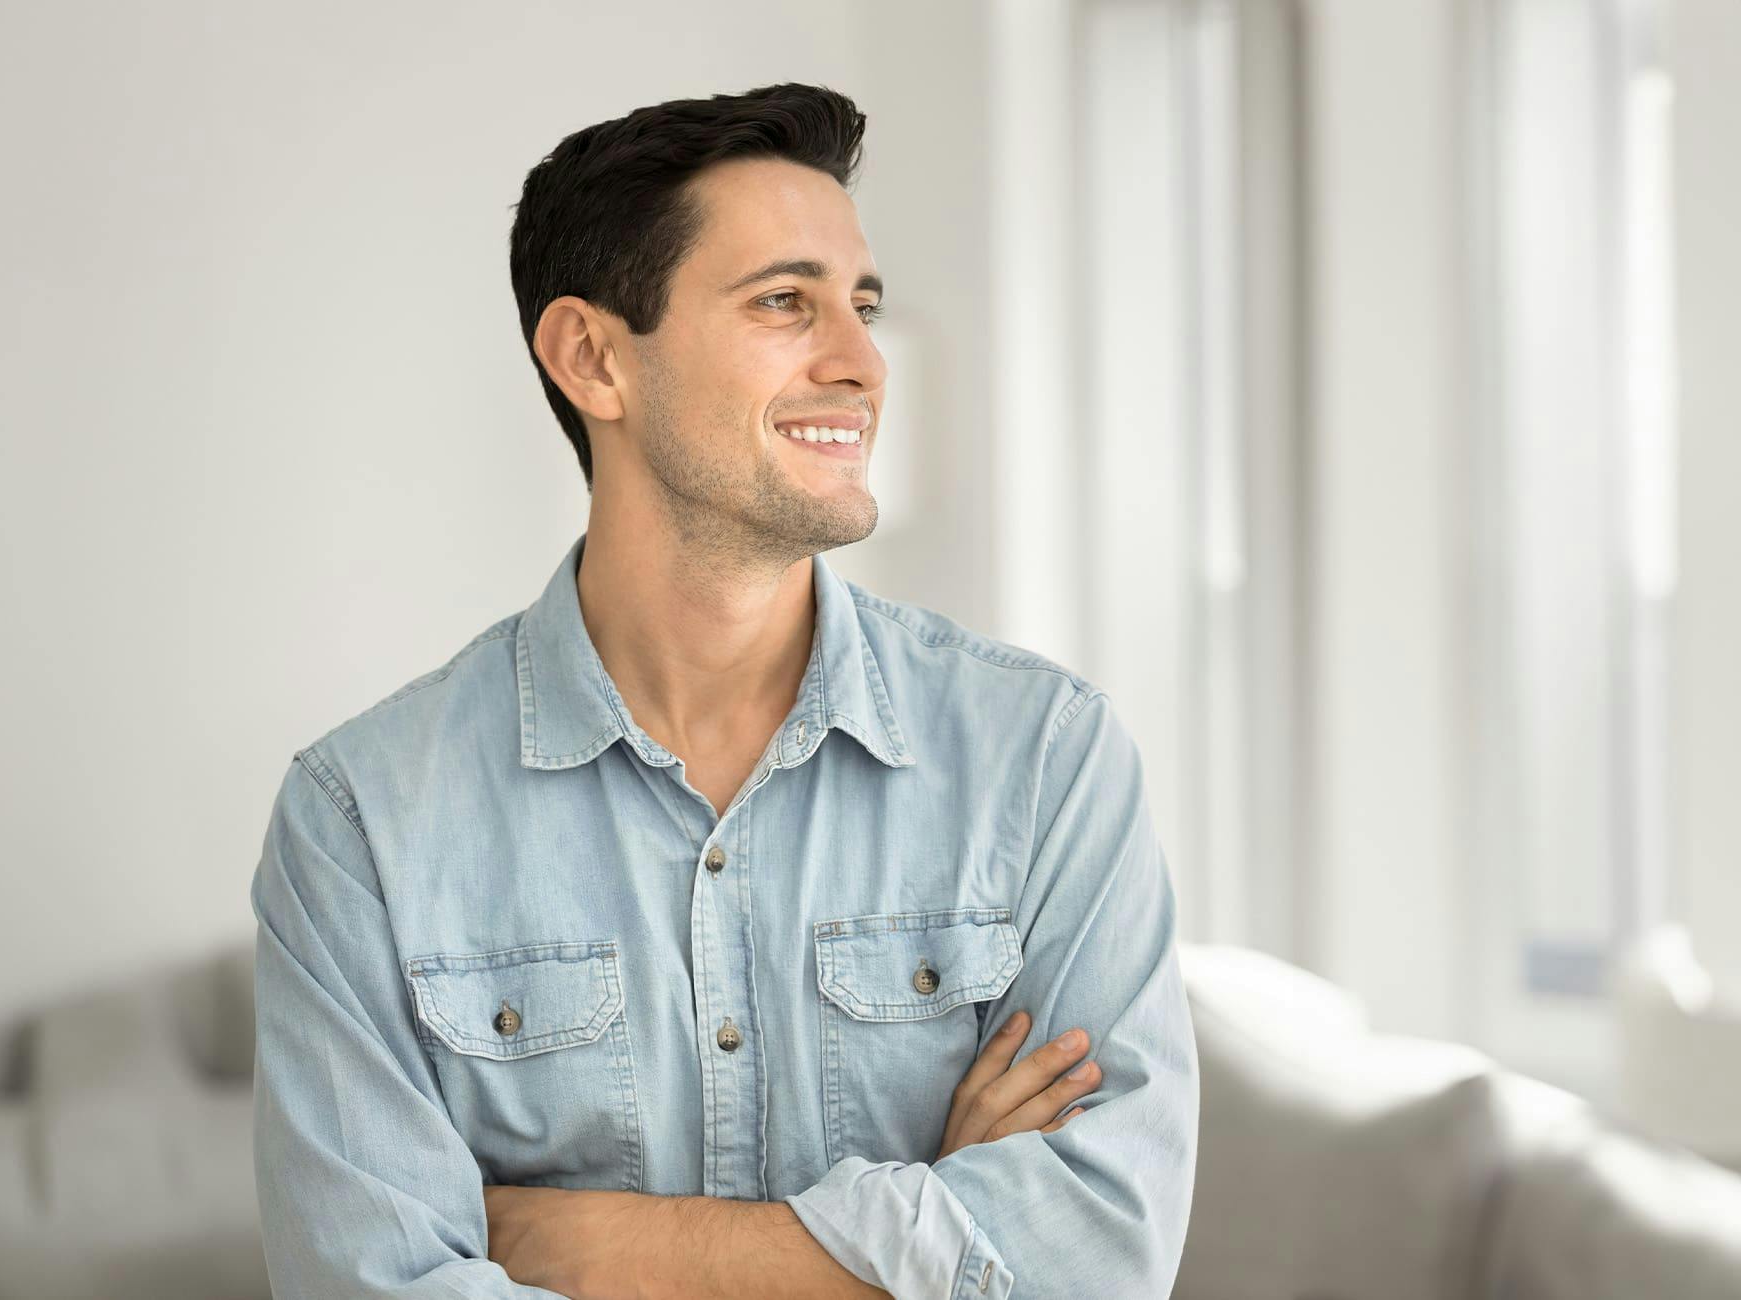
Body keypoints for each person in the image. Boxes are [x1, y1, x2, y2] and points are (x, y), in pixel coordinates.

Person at [250, 81, 1198, 1299]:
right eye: (785, 303)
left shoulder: (1046, 760)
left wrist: (578, 1247)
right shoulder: (362, 822)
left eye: (861, 306)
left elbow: (1101, 1255)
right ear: (593, 357)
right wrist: (930, 1241)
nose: (862, 362)